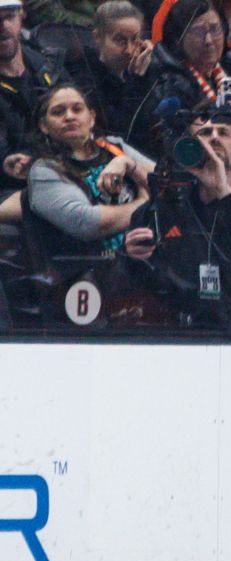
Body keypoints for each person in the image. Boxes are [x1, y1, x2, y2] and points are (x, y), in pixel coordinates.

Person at [122, 113, 231, 328]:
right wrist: (131, 257)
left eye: (223, 132)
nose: (214, 138)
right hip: (176, 334)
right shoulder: (159, 211)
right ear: (190, 148)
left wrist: (222, 192)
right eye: (205, 133)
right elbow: (135, 283)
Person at [25, 84, 152, 326]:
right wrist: (144, 203)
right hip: (84, 286)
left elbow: (166, 185)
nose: (69, 116)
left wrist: (128, 164)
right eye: (58, 112)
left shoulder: (115, 147)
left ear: (91, 118)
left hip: (141, 273)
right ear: (44, 125)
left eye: (77, 109)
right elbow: (88, 223)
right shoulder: (43, 170)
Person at [122, 0, 231, 157]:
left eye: (215, 29)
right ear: (179, 39)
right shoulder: (163, 79)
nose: (209, 41)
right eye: (198, 32)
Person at [0, 0, 70, 192]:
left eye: (9, 17)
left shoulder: (49, 67)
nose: (3, 26)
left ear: (22, 15)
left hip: (67, 174)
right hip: (15, 191)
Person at [68, 1, 154, 139]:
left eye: (135, 39)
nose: (129, 50)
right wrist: (137, 80)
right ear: (98, 37)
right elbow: (120, 128)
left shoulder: (143, 68)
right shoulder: (83, 71)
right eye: (120, 40)